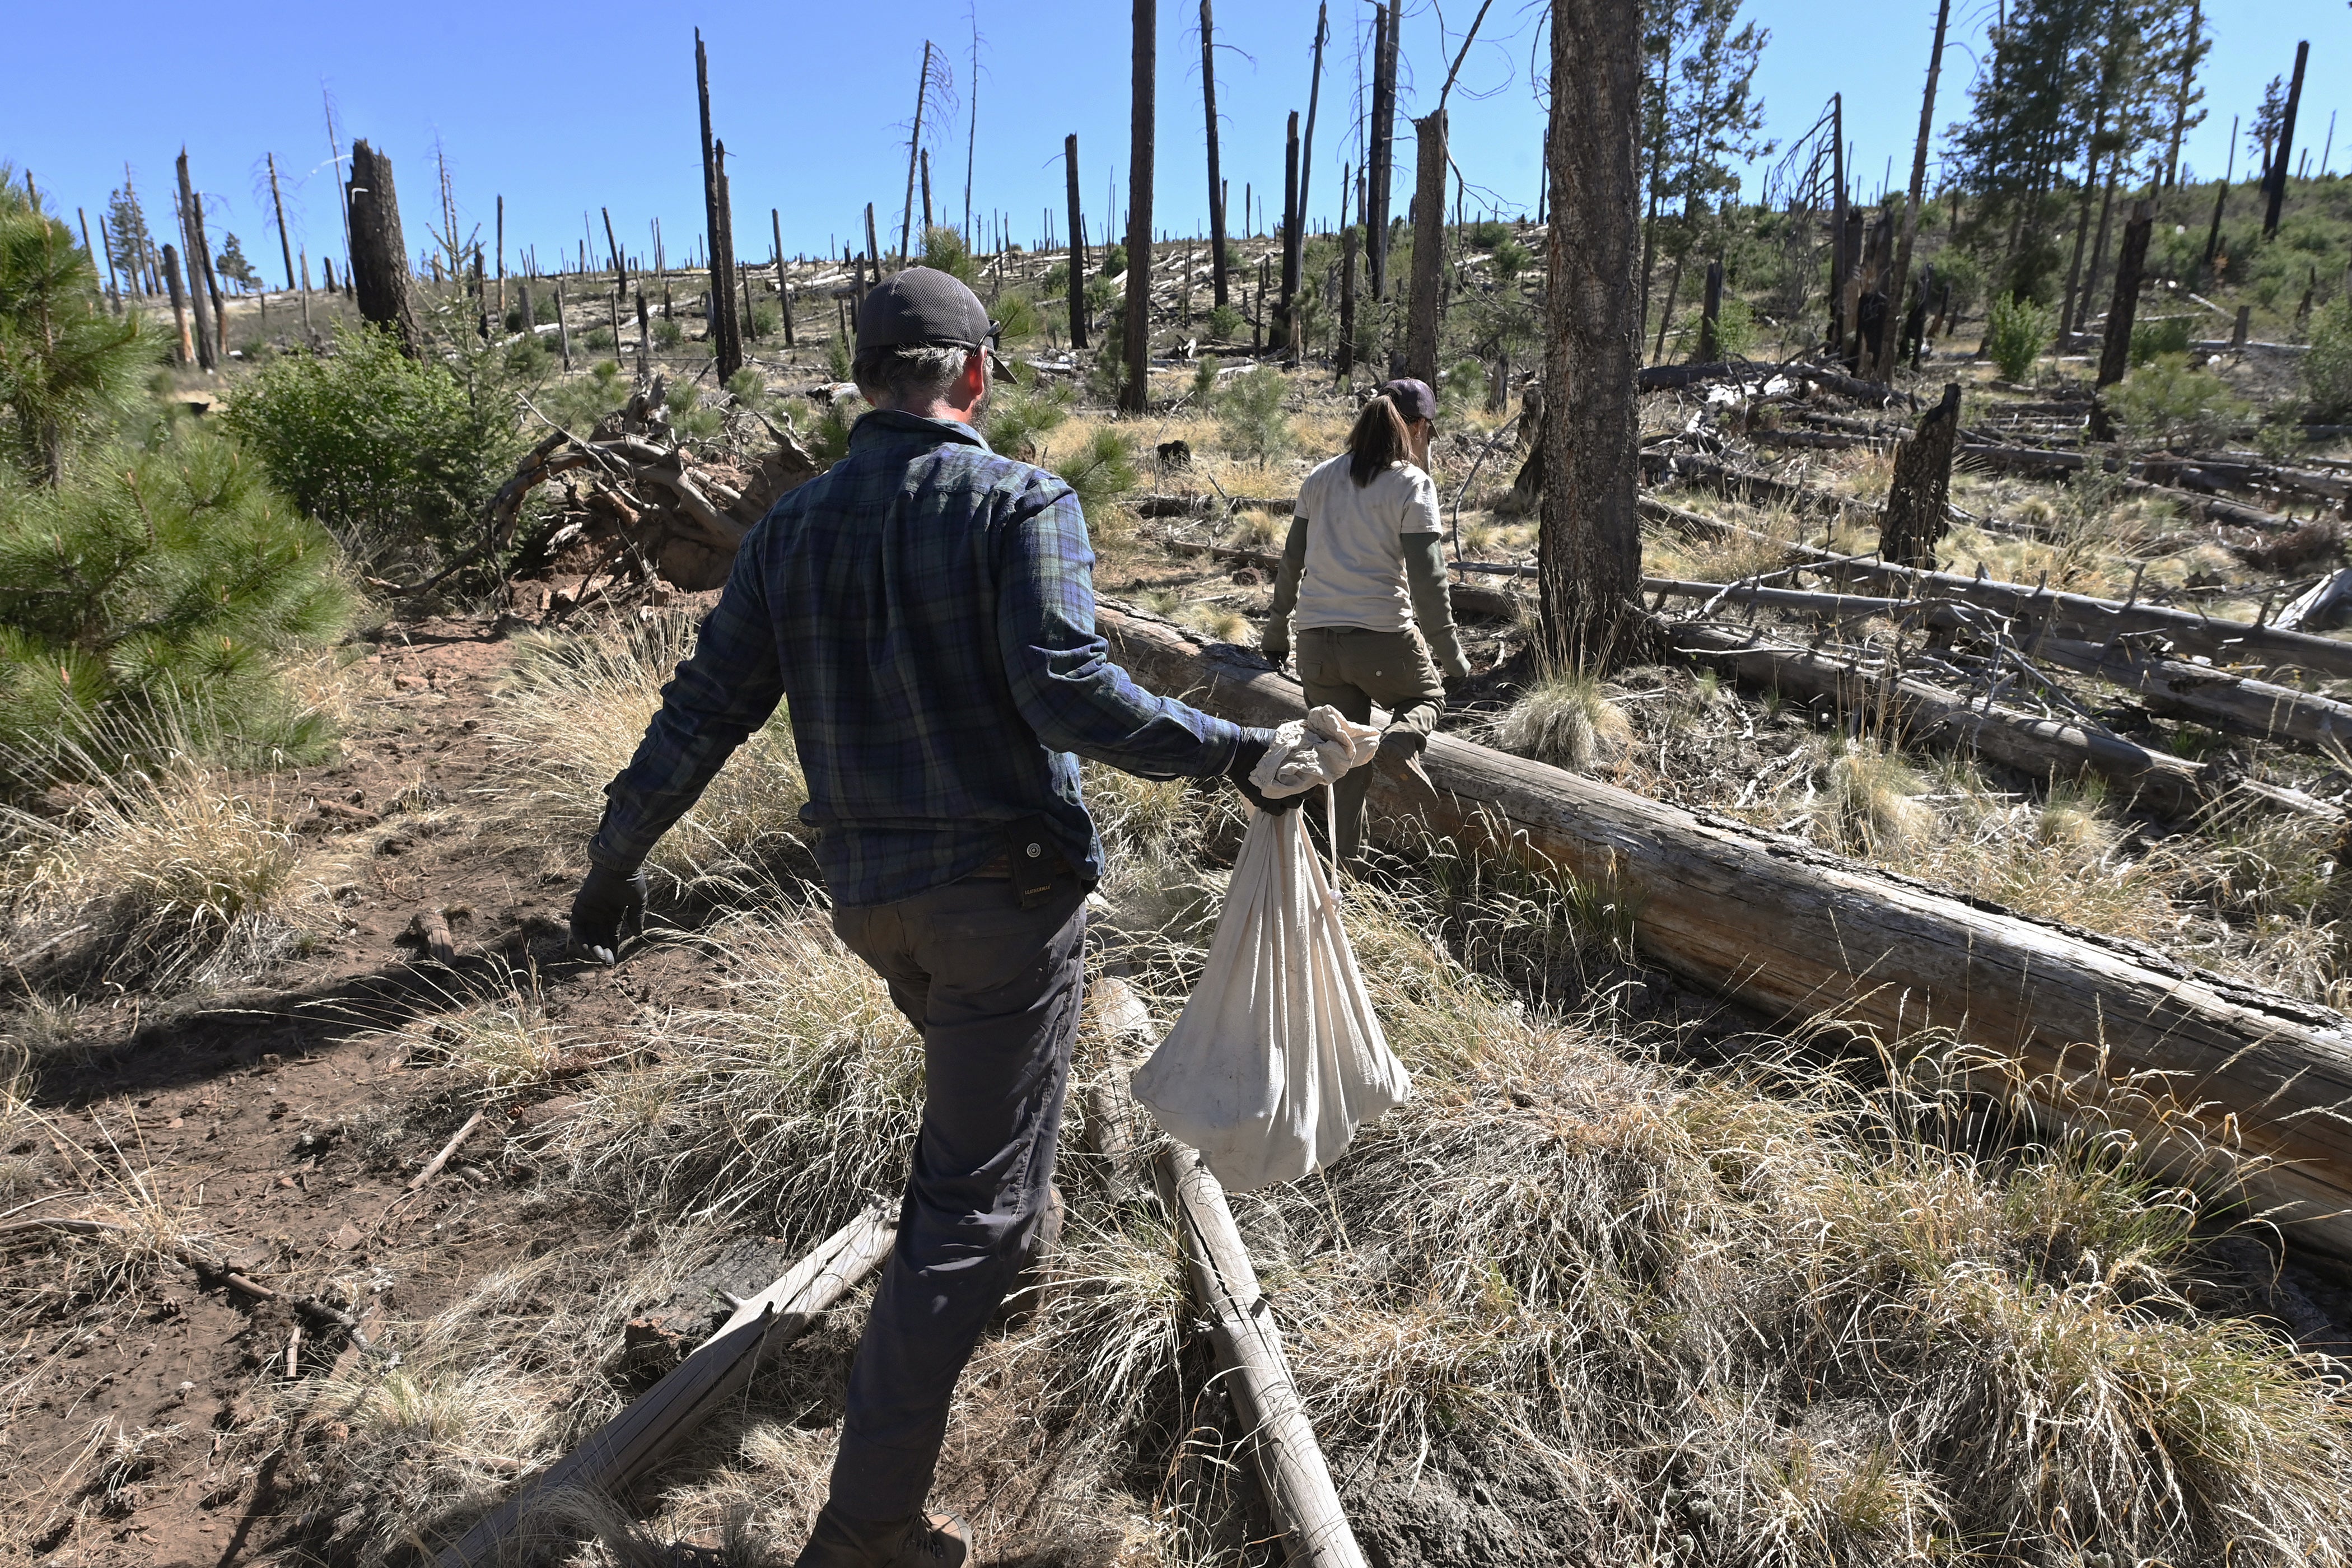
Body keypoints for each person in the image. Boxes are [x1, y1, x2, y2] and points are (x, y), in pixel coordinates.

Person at [564, 267, 1299, 1568]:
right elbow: (1066, 691)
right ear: (973, 373)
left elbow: (701, 713)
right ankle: (868, 1527)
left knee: (986, 1121)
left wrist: (613, 862)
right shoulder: (1023, 502)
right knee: (965, 1197)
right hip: (1001, 898)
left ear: (867, 379)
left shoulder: (791, 531)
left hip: (873, 901)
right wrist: (1228, 752)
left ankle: (1011, 1264)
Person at [1261, 377, 1469, 864]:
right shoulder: (1412, 485)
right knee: (1427, 696)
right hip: (1382, 640)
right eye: (1429, 431)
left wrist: (1275, 633)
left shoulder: (1320, 477)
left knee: (1344, 756)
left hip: (1314, 646)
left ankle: (1345, 869)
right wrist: (1452, 658)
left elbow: (1291, 563)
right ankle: (1398, 743)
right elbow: (1429, 581)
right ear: (1416, 426)